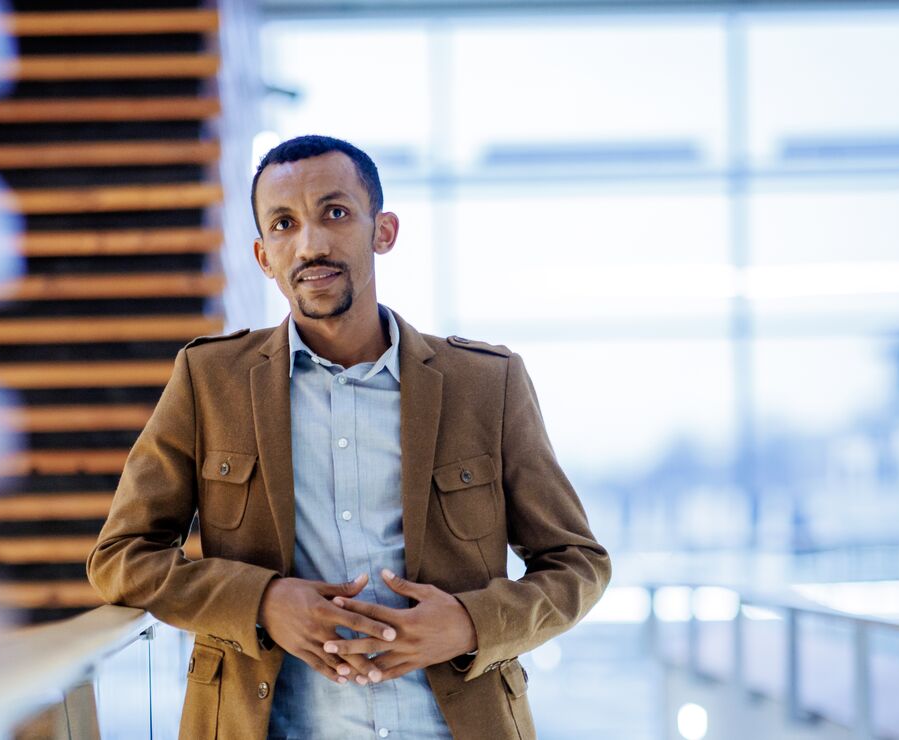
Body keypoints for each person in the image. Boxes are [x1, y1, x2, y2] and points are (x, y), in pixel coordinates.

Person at [86, 134, 611, 740]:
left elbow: (578, 565)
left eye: (335, 213)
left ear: (382, 231)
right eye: (284, 224)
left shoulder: (485, 384)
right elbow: (122, 556)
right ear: (263, 255)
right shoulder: (210, 382)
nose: (310, 244)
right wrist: (261, 602)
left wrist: (470, 623)